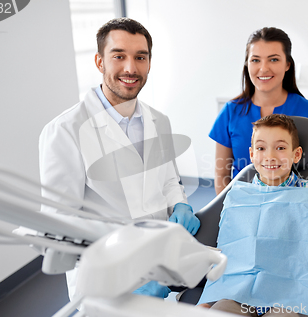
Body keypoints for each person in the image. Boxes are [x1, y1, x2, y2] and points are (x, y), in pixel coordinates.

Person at [39, 18, 200, 301]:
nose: (131, 68)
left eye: (140, 57)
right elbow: (60, 225)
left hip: (160, 262)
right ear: (100, 62)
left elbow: (169, 180)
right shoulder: (65, 130)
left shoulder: (158, 120)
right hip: (105, 280)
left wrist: (181, 203)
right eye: (119, 56)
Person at [198, 114, 308, 316]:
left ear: (296, 154)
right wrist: (209, 299)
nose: (270, 156)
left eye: (280, 148)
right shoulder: (238, 195)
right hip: (239, 291)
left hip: (289, 295)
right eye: (261, 148)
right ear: (252, 154)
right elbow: (227, 248)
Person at [210, 27, 308, 194]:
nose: (263, 69)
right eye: (255, 60)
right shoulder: (230, 112)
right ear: (247, 64)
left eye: (274, 60)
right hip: (243, 206)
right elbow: (221, 175)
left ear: (287, 65)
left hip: (294, 207)